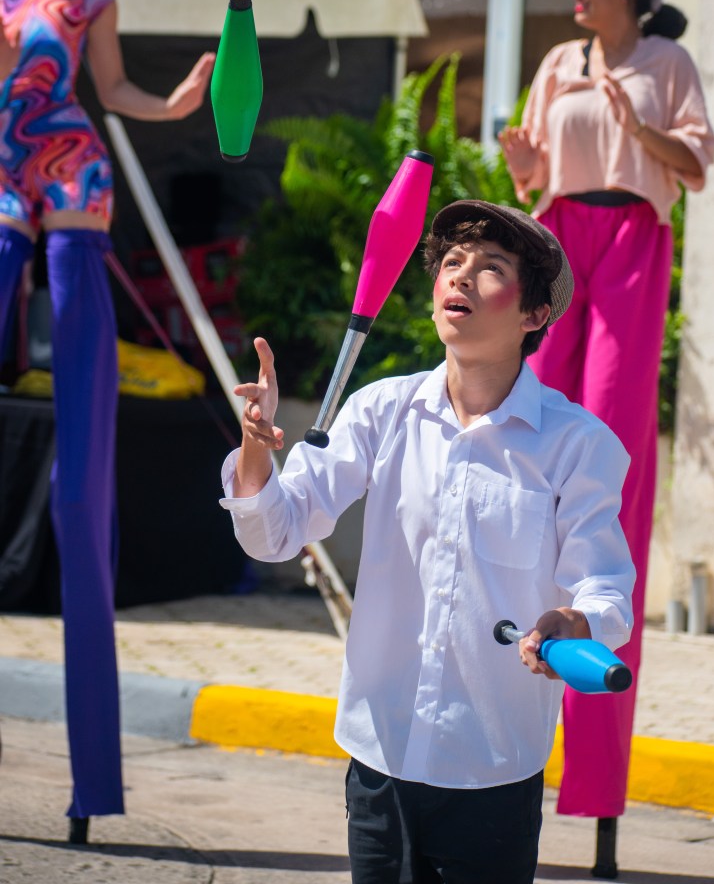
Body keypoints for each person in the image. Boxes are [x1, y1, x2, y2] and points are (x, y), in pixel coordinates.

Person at [220, 199, 636, 884]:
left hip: (493, 766)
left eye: (489, 268)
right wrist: (255, 448)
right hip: (378, 754)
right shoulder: (379, 412)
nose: (460, 278)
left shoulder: (577, 445)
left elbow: (604, 587)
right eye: (450, 264)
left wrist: (576, 620)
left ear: (533, 315)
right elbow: (277, 532)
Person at [0, 0, 214, 836]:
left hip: (72, 166)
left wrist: (171, 108)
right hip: (3, 176)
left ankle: (92, 783)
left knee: (84, 471)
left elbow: (113, 84)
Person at [498, 0, 714, 838]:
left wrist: (637, 130)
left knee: (612, 459)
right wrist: (519, 166)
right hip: (557, 246)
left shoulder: (667, 62)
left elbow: (696, 166)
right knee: (533, 441)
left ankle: (593, 781)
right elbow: (536, 178)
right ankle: (512, 702)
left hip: (631, 244)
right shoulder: (557, 61)